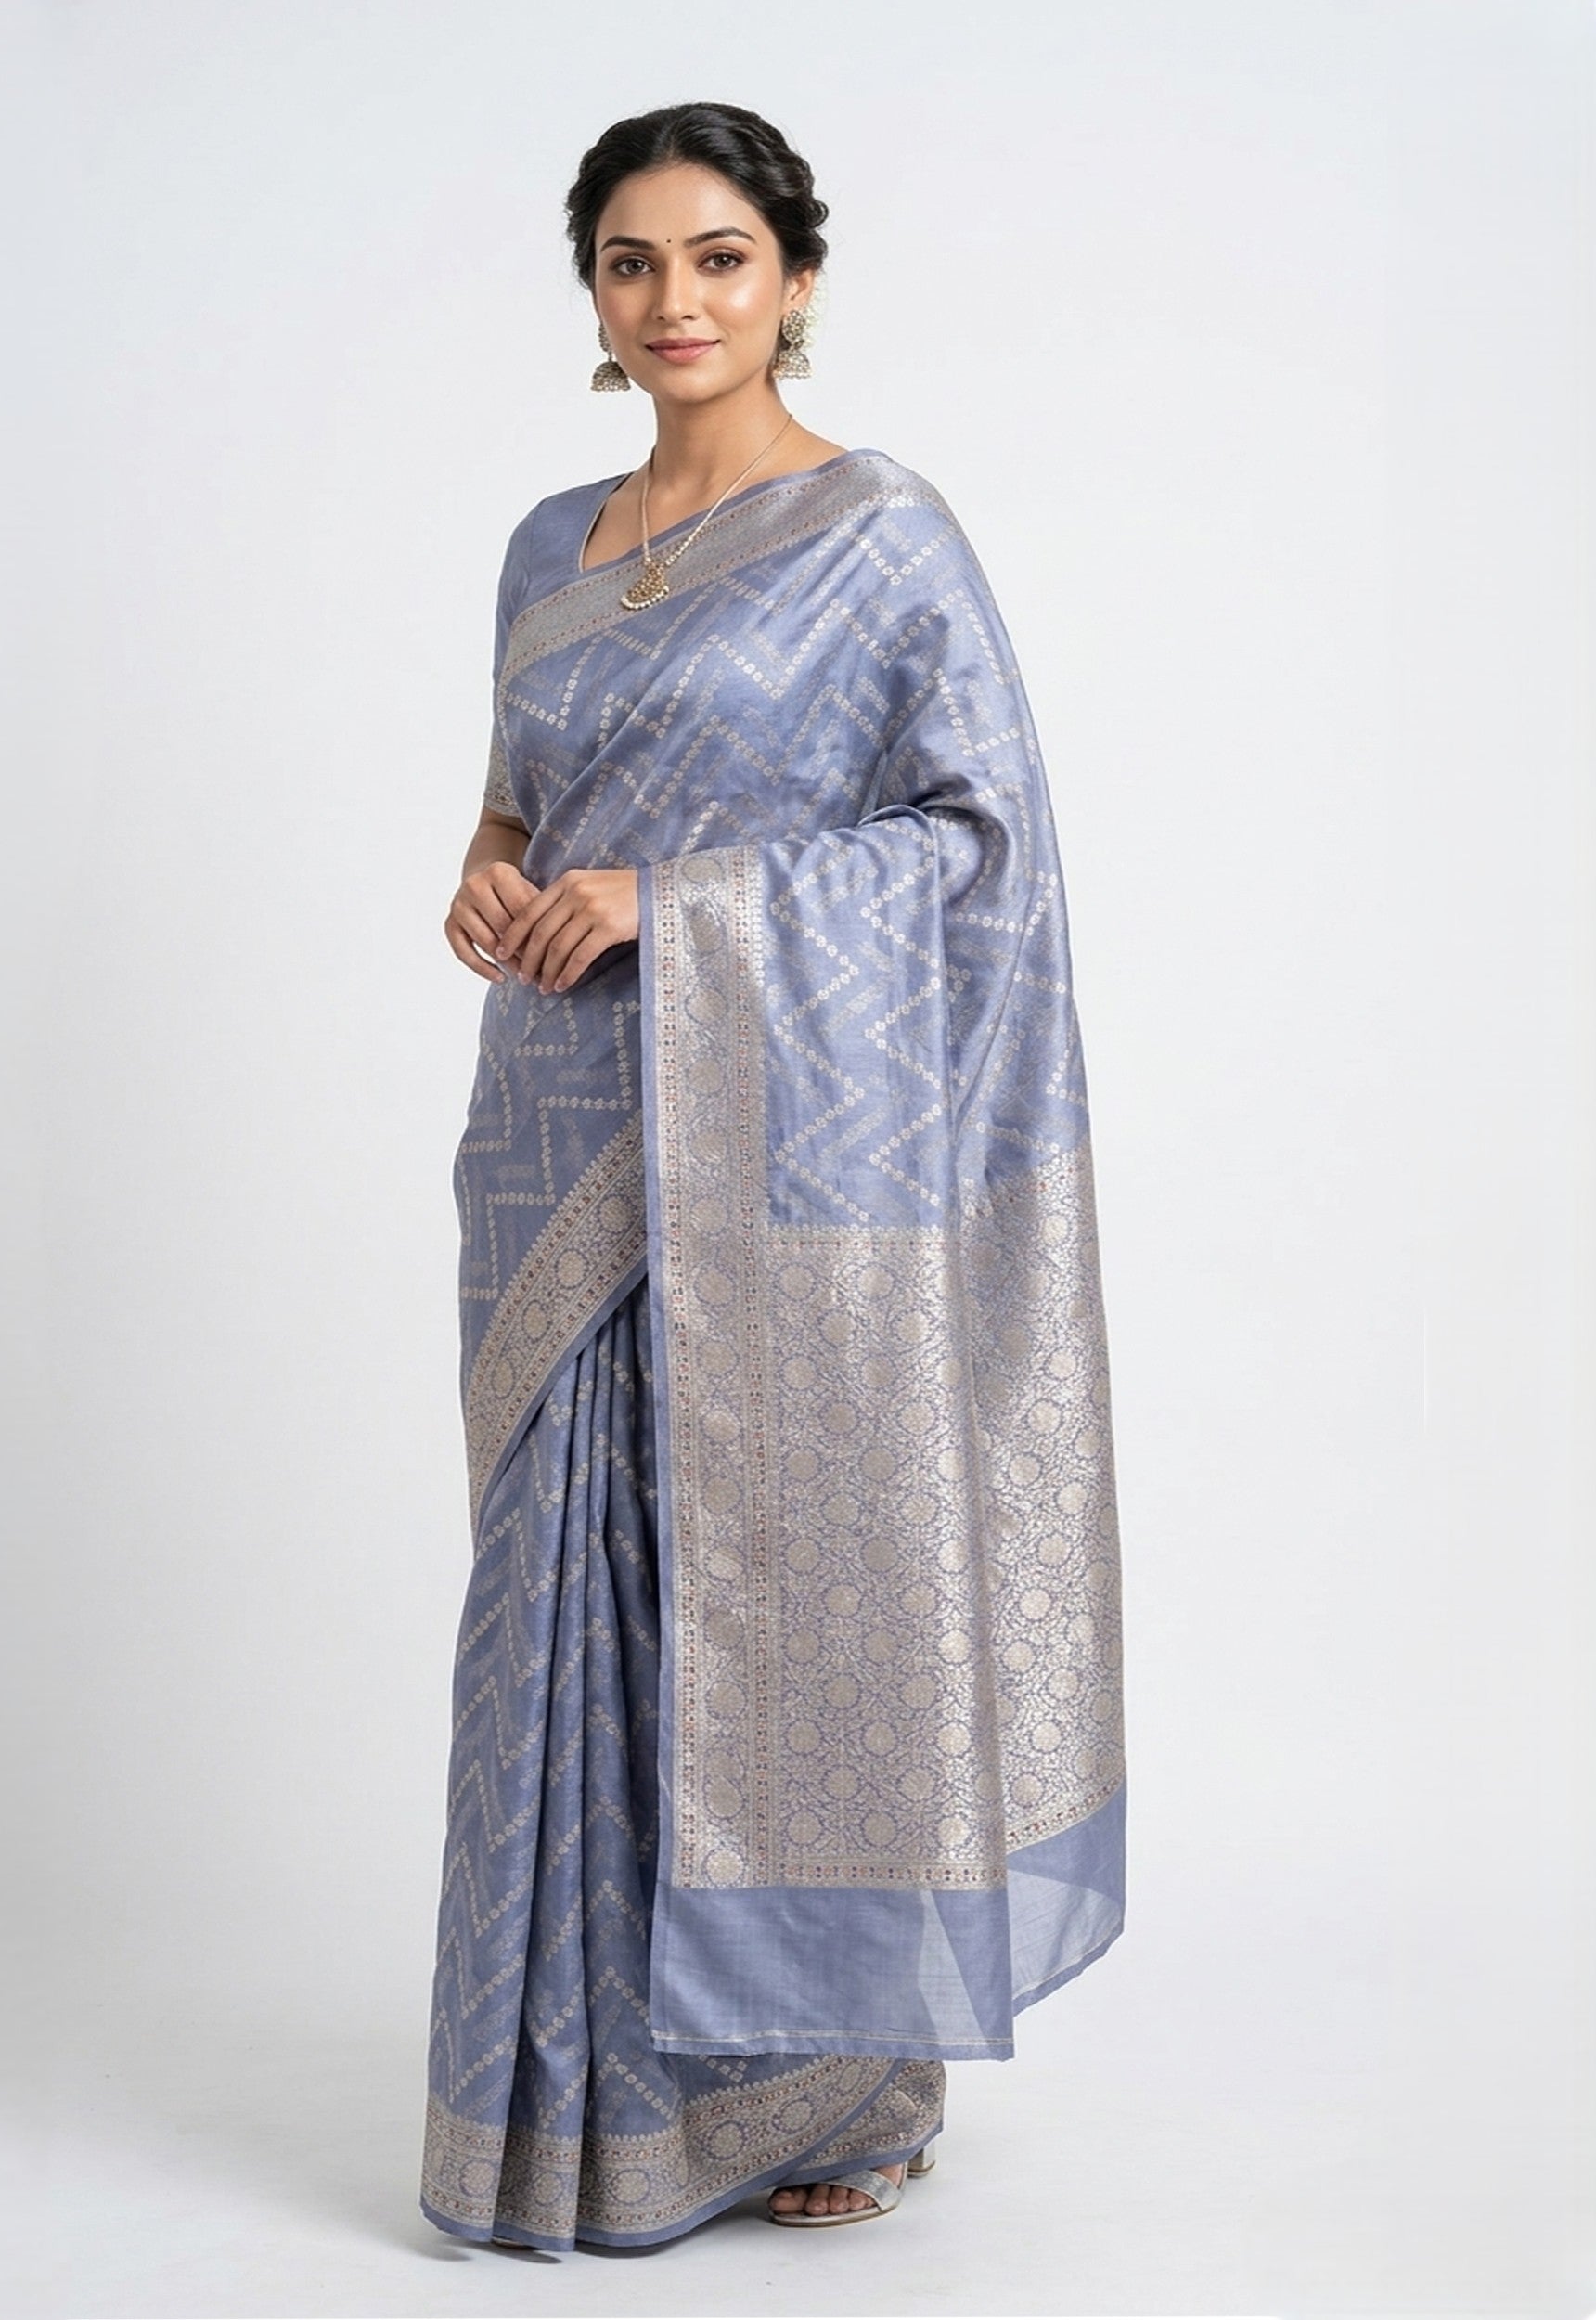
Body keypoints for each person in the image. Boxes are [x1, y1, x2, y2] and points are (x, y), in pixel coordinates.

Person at [421, 99, 1126, 2254]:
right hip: (562, 1129)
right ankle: (578, 2104)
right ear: (594, 299)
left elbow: (973, 846)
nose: (676, 302)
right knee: (568, 1596)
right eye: (632, 263)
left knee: (800, 1590)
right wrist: (494, 875)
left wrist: (681, 906)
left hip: (789, 1146)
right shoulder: (551, 541)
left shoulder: (880, 534)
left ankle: (837, 2075)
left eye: (718, 258)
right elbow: (516, 807)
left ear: (794, 277)